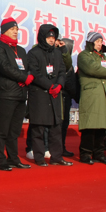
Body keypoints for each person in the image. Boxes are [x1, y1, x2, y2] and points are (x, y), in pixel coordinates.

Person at [0, 18, 32, 171]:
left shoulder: (20, 50)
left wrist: (26, 78)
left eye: (17, 29)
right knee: (1, 130)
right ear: (4, 31)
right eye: (12, 29)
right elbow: (4, 67)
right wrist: (23, 78)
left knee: (14, 131)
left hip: (20, 95)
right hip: (6, 94)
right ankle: (0, 160)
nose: (15, 32)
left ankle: (13, 158)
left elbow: (26, 68)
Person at [27, 24, 71, 167]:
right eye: (49, 37)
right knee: (38, 128)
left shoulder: (57, 53)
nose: (52, 40)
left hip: (55, 95)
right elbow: (34, 73)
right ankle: (39, 157)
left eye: (53, 37)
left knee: (56, 128)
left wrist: (59, 85)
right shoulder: (34, 53)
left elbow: (62, 71)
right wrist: (49, 85)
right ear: (42, 37)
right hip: (39, 94)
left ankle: (56, 157)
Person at [77, 31, 106, 165]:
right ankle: (85, 153)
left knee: (102, 126)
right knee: (90, 126)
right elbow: (93, 69)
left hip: (104, 94)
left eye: (101, 41)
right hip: (92, 94)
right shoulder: (84, 55)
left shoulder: (103, 57)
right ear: (91, 42)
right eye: (97, 41)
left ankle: (99, 153)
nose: (100, 44)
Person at [59, 38, 78, 158]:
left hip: (64, 97)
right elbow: (69, 83)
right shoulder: (66, 64)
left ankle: (60, 147)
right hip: (63, 97)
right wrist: (77, 96)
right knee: (62, 124)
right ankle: (60, 148)